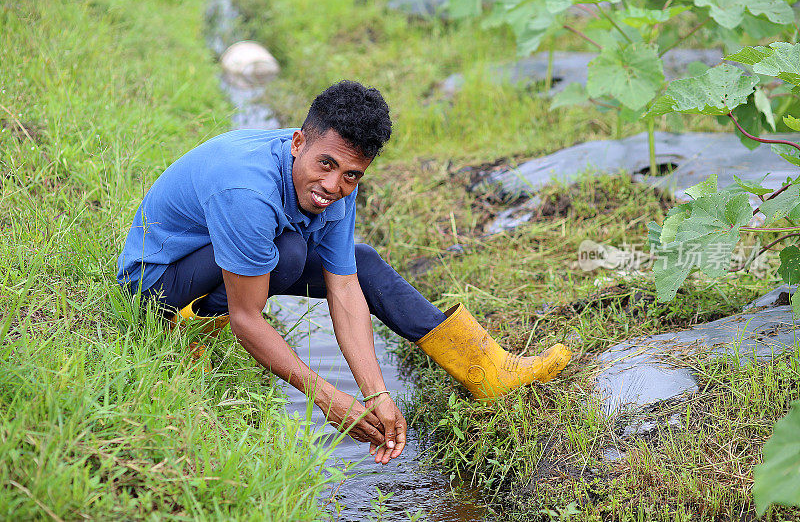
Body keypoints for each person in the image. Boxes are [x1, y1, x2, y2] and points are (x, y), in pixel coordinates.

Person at [117, 80, 572, 465]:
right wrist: (329, 398)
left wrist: (375, 393)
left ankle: (486, 370)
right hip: (159, 281)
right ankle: (189, 323)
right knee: (289, 253)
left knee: (362, 260)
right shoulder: (246, 191)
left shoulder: (337, 180)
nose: (334, 186)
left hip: (222, 255)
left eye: (352, 175)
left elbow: (344, 285)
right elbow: (248, 318)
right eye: (326, 165)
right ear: (298, 143)